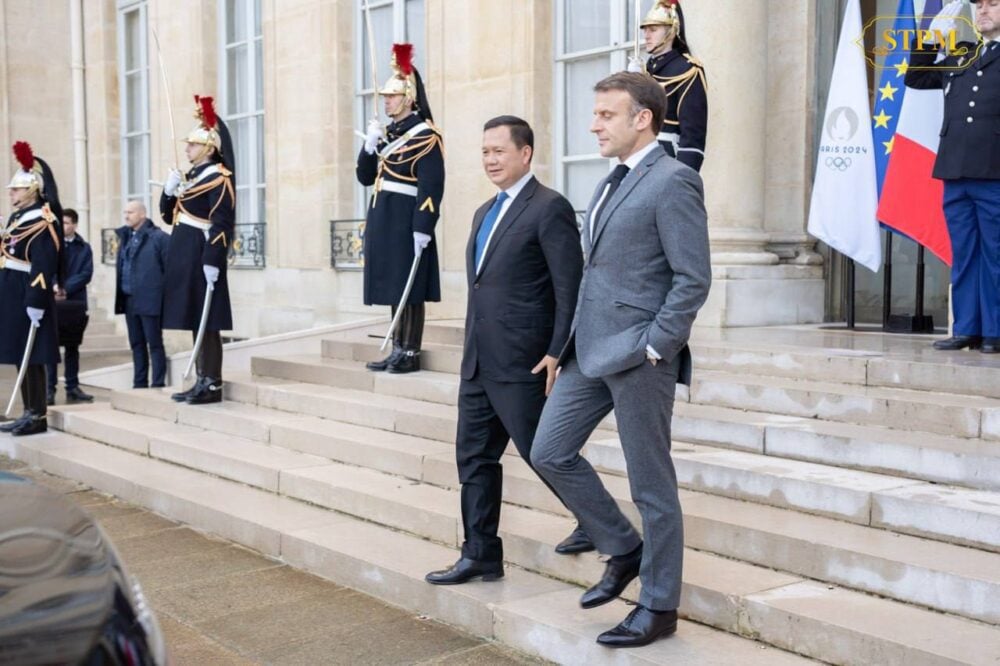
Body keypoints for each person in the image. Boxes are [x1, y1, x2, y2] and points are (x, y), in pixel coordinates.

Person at [530, 72, 711, 648]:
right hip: (589, 351)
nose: (594, 124)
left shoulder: (674, 181)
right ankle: (623, 546)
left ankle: (658, 607)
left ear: (643, 119)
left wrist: (659, 344)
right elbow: (595, 274)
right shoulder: (610, 182)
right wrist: (564, 347)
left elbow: (692, 278)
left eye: (607, 114)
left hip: (640, 356)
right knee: (549, 451)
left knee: (652, 487)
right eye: (596, 113)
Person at [424, 116, 586, 585]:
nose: (490, 160)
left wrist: (559, 350)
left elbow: (569, 287)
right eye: (484, 152)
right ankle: (480, 554)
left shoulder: (550, 207)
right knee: (473, 459)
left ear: (525, 153)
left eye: (498, 151)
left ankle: (597, 523)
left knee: (546, 452)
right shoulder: (482, 212)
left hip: (523, 360)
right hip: (478, 360)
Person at [907, 0, 1000, 353]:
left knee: (996, 254)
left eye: (993, 4)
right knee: (964, 253)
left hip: (993, 170)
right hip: (955, 170)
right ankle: (967, 328)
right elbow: (915, 79)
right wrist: (930, 40)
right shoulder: (962, 54)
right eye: (979, 6)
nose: (983, 11)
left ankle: (995, 331)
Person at [357, 43, 444, 374]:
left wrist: (424, 225)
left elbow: (431, 185)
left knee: (411, 287)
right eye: (385, 97)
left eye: (392, 96)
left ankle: (410, 351)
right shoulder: (387, 134)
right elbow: (365, 177)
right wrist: (368, 146)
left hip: (407, 219)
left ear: (408, 97)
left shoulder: (426, 136)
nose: (386, 101)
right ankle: (396, 347)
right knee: (396, 284)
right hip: (384, 217)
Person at [159, 95, 236, 404]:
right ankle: (201, 378)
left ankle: (212, 382)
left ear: (209, 148)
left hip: (202, 253)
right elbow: (169, 216)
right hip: (185, 254)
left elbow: (222, 221)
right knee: (196, 317)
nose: (187, 149)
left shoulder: (219, 178)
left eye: (192, 145)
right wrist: (168, 191)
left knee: (209, 320)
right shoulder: (191, 179)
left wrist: (213, 259)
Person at [0, 142, 64, 436]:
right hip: (11, 290)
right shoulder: (17, 219)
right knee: (19, 352)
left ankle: (37, 414)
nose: (10, 193)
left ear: (31, 190)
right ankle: (28, 410)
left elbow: (44, 262)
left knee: (32, 354)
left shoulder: (42, 220)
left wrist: (37, 298)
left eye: (15, 189)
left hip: (28, 291)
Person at [629, 0, 708, 172]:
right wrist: (630, 82)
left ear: (671, 31)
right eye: (645, 30)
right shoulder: (644, 72)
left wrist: (682, 178)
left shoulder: (687, 70)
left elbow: (692, 136)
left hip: (667, 159)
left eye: (653, 29)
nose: (646, 35)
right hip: (637, 159)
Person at [115, 200, 169, 389]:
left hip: (150, 300)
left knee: (154, 343)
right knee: (136, 344)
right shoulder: (126, 237)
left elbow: (169, 270)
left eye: (130, 212)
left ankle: (158, 383)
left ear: (142, 214)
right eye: (125, 212)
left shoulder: (159, 238)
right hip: (129, 299)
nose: (126, 215)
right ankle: (139, 383)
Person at [46, 208, 94, 405]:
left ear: (74, 224)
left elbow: (86, 273)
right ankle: (50, 388)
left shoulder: (84, 247)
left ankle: (72, 386)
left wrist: (66, 288)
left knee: (73, 346)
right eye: (61, 223)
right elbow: (47, 268)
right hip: (55, 302)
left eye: (66, 223)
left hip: (75, 301)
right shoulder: (53, 245)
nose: (63, 226)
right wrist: (56, 286)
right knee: (51, 347)